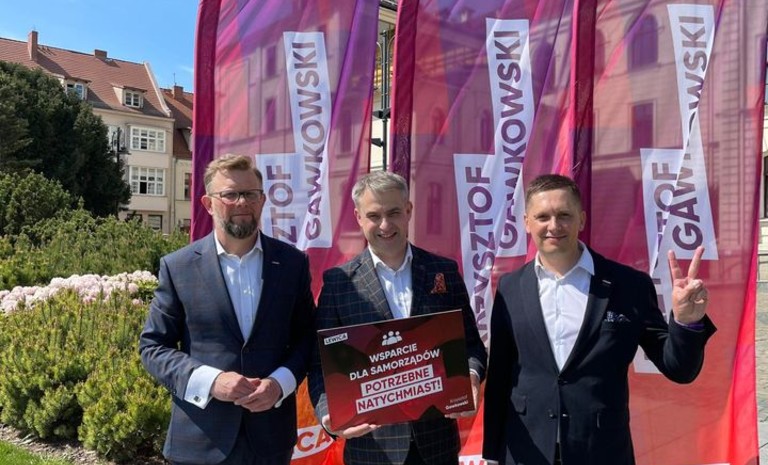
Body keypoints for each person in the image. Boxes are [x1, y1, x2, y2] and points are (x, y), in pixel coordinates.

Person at [482, 174, 716, 465]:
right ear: (527, 223)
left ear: (581, 219)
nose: (553, 226)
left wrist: (686, 323)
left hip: (602, 450)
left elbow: (679, 369)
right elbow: (500, 376)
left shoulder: (629, 285)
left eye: (564, 215)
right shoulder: (510, 287)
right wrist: (492, 453)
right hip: (527, 450)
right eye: (542, 217)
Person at [139, 154, 315, 465]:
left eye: (250, 194)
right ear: (208, 204)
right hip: (200, 440)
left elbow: (307, 338)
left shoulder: (292, 264)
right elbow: (153, 348)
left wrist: (280, 384)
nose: (242, 202)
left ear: (262, 200)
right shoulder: (178, 267)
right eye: (230, 195)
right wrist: (210, 381)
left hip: (271, 440)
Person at [308, 171, 487, 465]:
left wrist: (470, 377)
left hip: (437, 445)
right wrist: (329, 414)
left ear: (408, 210)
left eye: (393, 213)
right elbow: (319, 365)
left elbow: (471, 346)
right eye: (374, 215)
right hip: (371, 449)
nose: (385, 225)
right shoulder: (339, 283)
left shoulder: (443, 271)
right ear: (358, 217)